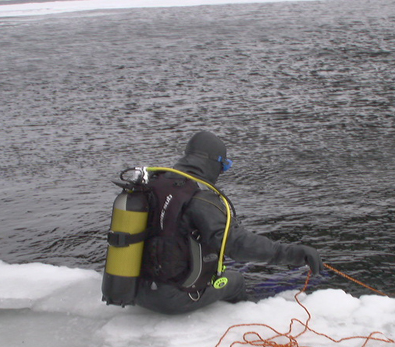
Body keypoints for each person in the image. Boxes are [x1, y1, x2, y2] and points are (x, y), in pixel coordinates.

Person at [134, 130, 322, 314]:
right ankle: (245, 316)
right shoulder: (199, 198)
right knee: (235, 280)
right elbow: (237, 244)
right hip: (171, 298)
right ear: (214, 163)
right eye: (224, 166)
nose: (221, 173)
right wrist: (293, 253)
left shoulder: (155, 183)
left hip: (136, 290)